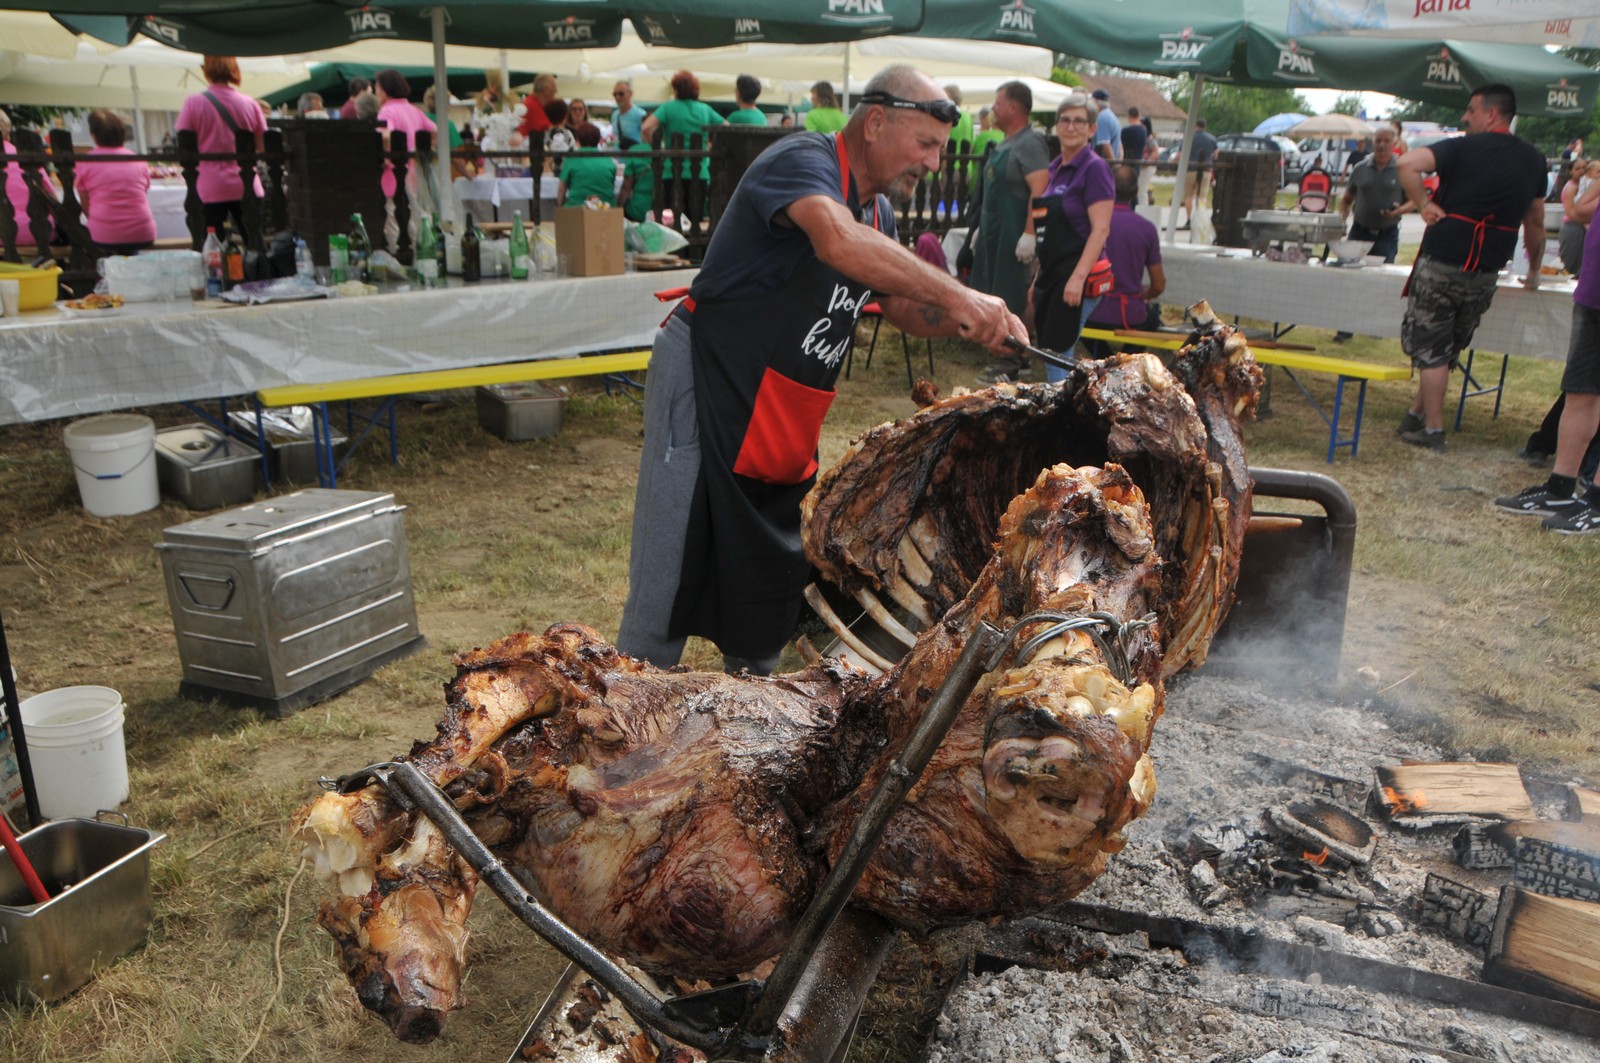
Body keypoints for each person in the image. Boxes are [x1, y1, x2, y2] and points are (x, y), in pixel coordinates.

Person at [615, 64, 1028, 675]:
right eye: (925, 144)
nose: (934, 162)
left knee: (766, 592)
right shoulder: (802, 161)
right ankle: (623, 718)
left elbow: (902, 308)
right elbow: (837, 240)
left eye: (941, 149)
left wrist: (968, 321)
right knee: (668, 581)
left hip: (780, 413)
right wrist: (961, 296)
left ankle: (750, 717)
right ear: (876, 122)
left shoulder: (879, 214)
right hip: (709, 381)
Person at [1393, 84, 1547, 451]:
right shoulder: (1534, 159)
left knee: (1432, 349)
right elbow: (1536, 222)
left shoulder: (1461, 148)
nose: (1465, 117)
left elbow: (1406, 163)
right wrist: (1535, 271)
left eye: (1471, 110)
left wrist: (1423, 203)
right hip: (1487, 268)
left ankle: (1433, 431)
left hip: (1444, 259)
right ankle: (1415, 414)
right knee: (1447, 347)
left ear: (1491, 114)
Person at [1494, 176, 1600, 533]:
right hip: (1593, 290)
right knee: (1580, 392)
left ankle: (1597, 502)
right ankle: (1560, 488)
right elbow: (1582, 211)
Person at [1028, 93, 1115, 384]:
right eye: (1064, 120)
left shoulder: (1095, 168)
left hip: (1078, 274)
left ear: (1092, 129)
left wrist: (1077, 278)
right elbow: (1048, 232)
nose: (1071, 126)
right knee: (1051, 349)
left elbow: (1100, 230)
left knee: (1058, 350)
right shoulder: (1054, 168)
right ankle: (1065, 401)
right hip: (1052, 273)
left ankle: (1062, 406)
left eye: (1079, 121)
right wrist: (1038, 278)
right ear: (1057, 126)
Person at [970, 80, 1050, 384]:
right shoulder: (1004, 143)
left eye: (998, 103)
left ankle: (1014, 359)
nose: (993, 108)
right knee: (996, 293)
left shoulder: (1030, 143)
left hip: (1015, 232)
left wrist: (1029, 233)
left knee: (1014, 294)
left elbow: (1039, 190)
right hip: (995, 232)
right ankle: (1008, 354)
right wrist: (981, 229)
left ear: (1014, 108)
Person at [1330, 124, 1411, 341]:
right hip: (1359, 231)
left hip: (1387, 233)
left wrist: (1398, 210)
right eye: (1378, 141)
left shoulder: (1402, 169)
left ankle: (1376, 329)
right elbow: (1347, 199)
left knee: (1382, 282)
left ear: (1395, 143)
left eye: (1386, 141)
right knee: (1351, 282)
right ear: (1372, 142)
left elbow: (1414, 201)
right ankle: (1344, 330)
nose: (1382, 145)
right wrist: (1342, 218)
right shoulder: (1360, 168)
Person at [174, 55, 266, 236]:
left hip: (209, 185)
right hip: (247, 183)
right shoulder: (250, 103)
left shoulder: (193, 103)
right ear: (234, 70)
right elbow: (263, 146)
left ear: (206, 71)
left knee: (212, 244)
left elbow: (184, 142)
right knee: (254, 241)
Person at [1084, 164, 1163, 346]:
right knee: (1152, 318)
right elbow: (1158, 285)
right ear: (1135, 192)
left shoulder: (1090, 222)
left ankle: (1105, 357)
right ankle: (1127, 357)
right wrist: (1142, 295)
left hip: (1092, 311)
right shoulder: (1147, 228)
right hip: (1131, 313)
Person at [640, 71, 725, 229]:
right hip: (700, 173)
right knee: (695, 222)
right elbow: (727, 128)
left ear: (676, 89)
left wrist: (659, 147)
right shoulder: (705, 109)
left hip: (671, 172)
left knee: (672, 222)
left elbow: (646, 127)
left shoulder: (668, 108)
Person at [75, 109, 155, 257]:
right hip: (142, 231)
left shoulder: (86, 161)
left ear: (94, 135)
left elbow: (85, 203)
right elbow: (142, 192)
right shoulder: (137, 160)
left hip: (103, 233)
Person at [373, 69, 436, 201]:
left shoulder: (386, 111)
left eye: (377, 87)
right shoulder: (414, 110)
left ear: (384, 89)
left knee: (394, 208)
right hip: (416, 171)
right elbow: (435, 130)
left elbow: (386, 135)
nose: (376, 92)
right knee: (413, 208)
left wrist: (386, 158)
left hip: (396, 172)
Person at [557, 123, 616, 207]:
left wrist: (559, 208)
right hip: (606, 208)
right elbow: (611, 185)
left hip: (577, 208)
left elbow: (561, 189)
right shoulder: (608, 160)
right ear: (598, 139)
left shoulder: (571, 159)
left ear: (578, 139)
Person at [424, 85, 473, 179]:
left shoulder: (420, 119)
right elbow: (456, 157)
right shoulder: (447, 124)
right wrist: (468, 175)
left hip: (420, 171)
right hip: (440, 173)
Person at [1181, 118, 1217, 229]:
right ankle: (1200, 219)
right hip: (1205, 170)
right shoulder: (1212, 139)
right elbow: (1216, 155)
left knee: (1188, 196)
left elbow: (1181, 154)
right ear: (1205, 126)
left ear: (1195, 125)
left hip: (1190, 169)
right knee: (1202, 195)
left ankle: (1188, 219)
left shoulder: (1188, 137)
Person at [1558, 156, 1589, 277]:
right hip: (1573, 228)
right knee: (1569, 265)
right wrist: (1586, 224)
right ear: (1570, 171)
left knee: (1580, 265)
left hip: (1580, 227)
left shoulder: (1583, 186)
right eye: (1577, 168)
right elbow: (1570, 211)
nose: (1581, 171)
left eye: (1584, 168)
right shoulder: (1572, 187)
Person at [516, 73, 560, 143]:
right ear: (546, 90)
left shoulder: (534, 104)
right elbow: (545, 130)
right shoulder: (531, 107)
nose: (556, 91)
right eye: (554, 87)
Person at [619, 140, 656, 222]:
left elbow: (626, 188)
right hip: (661, 211)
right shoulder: (667, 149)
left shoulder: (635, 150)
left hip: (637, 209)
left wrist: (618, 208)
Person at [1090, 88, 1121, 161]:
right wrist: (1118, 162)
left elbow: (1105, 144)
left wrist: (1112, 164)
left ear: (1095, 101)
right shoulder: (1112, 116)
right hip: (1112, 161)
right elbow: (1120, 145)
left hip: (1103, 162)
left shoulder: (1102, 117)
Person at [1119, 105, 1148, 181]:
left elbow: (1120, 145)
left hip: (1127, 163)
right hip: (1137, 162)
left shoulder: (1126, 131)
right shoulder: (1144, 130)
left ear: (1129, 116)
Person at [612, 80, 644, 147]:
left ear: (630, 94)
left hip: (634, 153)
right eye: (615, 94)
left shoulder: (640, 114)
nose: (617, 97)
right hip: (616, 153)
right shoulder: (614, 115)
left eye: (621, 94)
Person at [944, 84, 973, 151]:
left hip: (949, 156)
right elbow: (971, 144)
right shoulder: (968, 116)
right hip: (965, 156)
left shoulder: (947, 114)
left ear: (949, 97)